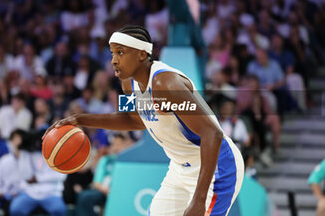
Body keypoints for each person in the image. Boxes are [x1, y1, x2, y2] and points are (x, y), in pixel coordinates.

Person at [44, 25, 244, 216]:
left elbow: (212, 134)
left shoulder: (165, 84)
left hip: (217, 166)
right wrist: (80, 120)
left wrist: (199, 199)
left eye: (120, 53)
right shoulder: (127, 84)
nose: (113, 60)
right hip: (180, 167)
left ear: (142, 54)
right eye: (112, 53)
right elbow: (135, 119)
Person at [75, 133, 134, 216]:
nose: (116, 147)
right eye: (114, 144)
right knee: (84, 196)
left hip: (120, 191)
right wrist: (106, 190)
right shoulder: (106, 160)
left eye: (119, 144)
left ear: (125, 146)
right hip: (103, 190)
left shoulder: (129, 162)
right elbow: (97, 182)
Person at [0, 129, 28, 216]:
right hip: (4, 195)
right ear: (11, 141)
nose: (18, 141)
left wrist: (19, 192)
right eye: (15, 138)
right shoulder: (4, 160)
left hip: (21, 196)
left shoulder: (29, 160)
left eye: (20, 138)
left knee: (18, 204)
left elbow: (30, 183)